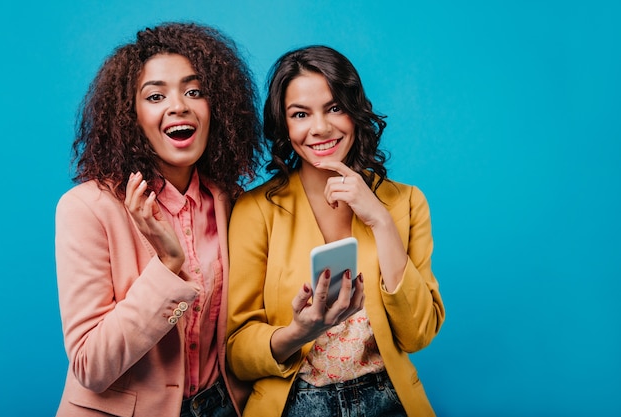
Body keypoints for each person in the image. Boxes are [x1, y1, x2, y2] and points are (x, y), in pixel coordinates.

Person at [226, 45, 446, 417]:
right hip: (295, 404)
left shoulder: (405, 203)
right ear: (284, 125)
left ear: (355, 111)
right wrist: (298, 332)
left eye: (334, 107)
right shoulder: (255, 211)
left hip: (388, 400)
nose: (321, 128)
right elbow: (237, 353)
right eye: (300, 114)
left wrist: (380, 220)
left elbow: (418, 334)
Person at [55, 22, 261, 417]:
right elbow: (90, 366)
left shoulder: (230, 201)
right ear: (130, 115)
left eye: (194, 91)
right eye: (155, 96)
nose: (179, 105)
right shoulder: (86, 209)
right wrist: (168, 268)